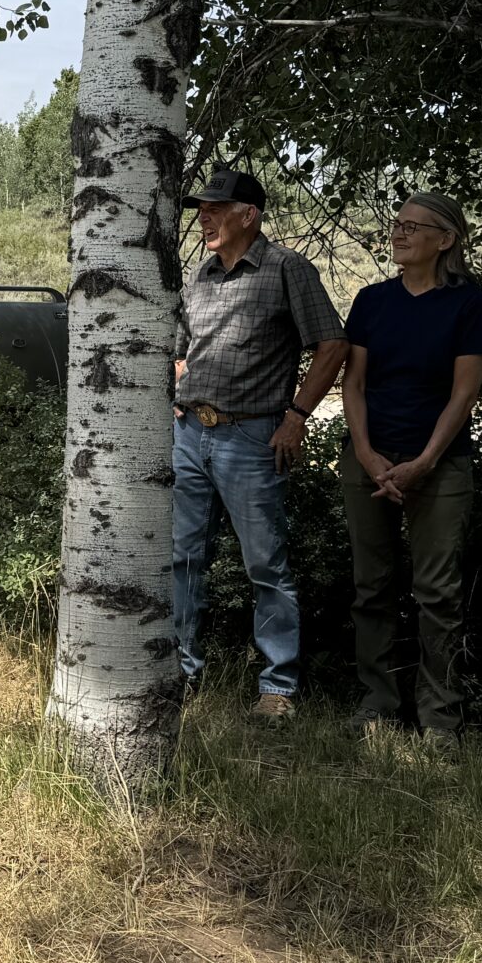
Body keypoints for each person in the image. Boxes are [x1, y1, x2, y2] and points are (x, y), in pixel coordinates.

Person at [172, 167, 346, 721]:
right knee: (182, 558)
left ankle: (277, 689)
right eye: (201, 209)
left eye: (217, 209)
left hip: (252, 436)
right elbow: (181, 349)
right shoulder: (197, 277)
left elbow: (333, 343)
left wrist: (296, 417)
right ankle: (181, 672)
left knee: (265, 565)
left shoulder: (286, 268)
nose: (205, 217)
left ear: (249, 215)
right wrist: (181, 392)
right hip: (190, 433)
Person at [339, 192, 482, 740]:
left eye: (414, 226)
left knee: (437, 594)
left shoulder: (468, 304)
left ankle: (440, 718)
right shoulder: (371, 301)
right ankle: (377, 704)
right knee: (371, 587)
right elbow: (353, 384)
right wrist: (366, 454)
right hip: (369, 459)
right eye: (397, 224)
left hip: (441, 465)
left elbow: (463, 394)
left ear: (446, 240)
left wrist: (425, 462)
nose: (400, 233)